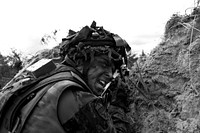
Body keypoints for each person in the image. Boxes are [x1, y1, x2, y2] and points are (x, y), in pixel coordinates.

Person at [21, 21, 132, 133]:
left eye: (113, 70)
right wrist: (117, 104)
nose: (110, 74)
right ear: (79, 62)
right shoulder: (78, 98)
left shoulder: (49, 78)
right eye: (104, 64)